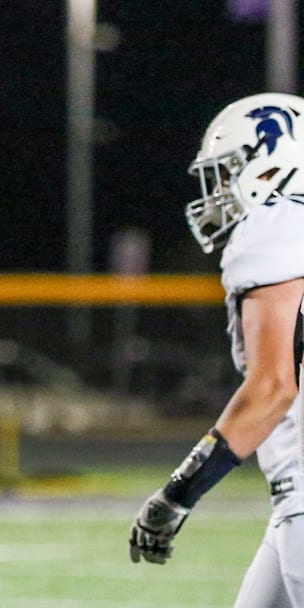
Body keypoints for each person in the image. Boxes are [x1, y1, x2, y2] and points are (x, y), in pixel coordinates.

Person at [129, 92, 304, 607]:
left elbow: (272, 387)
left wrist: (178, 495)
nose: (221, 191)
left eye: (229, 172)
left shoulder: (275, 228)